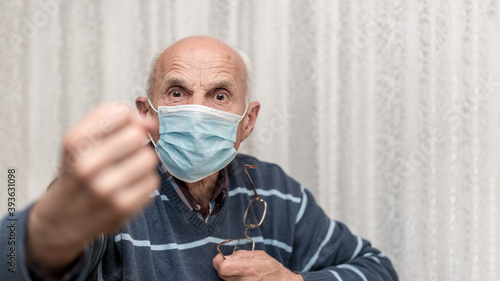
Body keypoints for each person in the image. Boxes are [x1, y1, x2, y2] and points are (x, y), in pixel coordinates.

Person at [0, 36, 398, 281]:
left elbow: (377, 269)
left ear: (249, 121)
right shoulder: (115, 190)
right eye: (177, 93)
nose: (197, 111)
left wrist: (291, 280)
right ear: (147, 113)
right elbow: (17, 263)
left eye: (219, 96)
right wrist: (47, 232)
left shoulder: (278, 192)